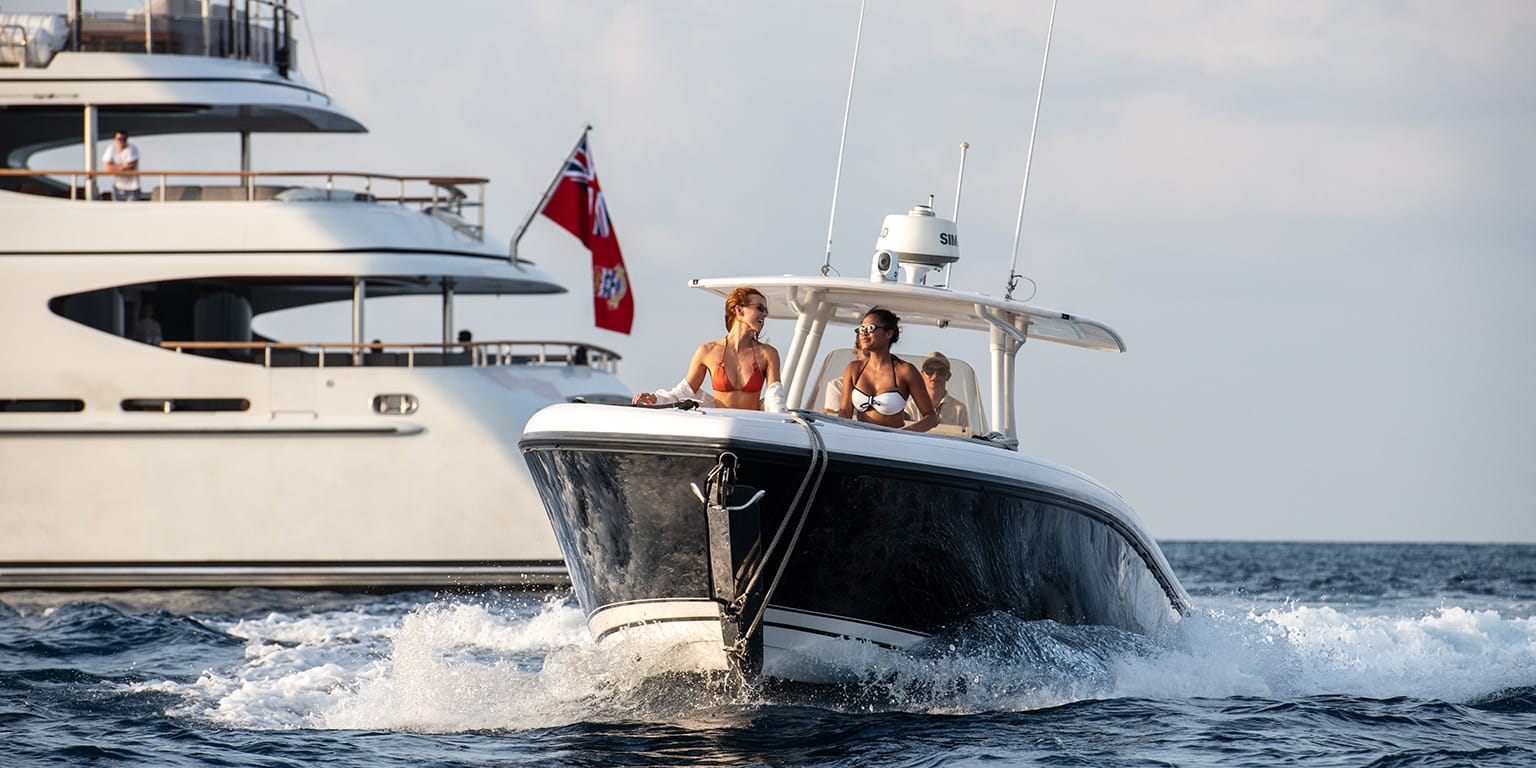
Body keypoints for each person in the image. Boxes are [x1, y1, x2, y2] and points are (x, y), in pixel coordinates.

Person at [633, 286, 786, 411]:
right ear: (739, 310)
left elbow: (774, 397)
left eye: (765, 309)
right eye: (760, 308)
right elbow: (684, 392)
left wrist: (782, 420)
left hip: (752, 429)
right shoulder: (707, 351)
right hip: (721, 427)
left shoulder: (767, 353)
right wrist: (656, 399)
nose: (765, 313)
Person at [837, 307, 936, 431]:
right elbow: (845, 413)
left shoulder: (905, 371)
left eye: (870, 328)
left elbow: (931, 418)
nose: (864, 333)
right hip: (859, 440)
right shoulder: (853, 369)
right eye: (862, 329)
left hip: (892, 444)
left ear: (888, 334)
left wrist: (903, 435)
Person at [906, 351, 969, 429]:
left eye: (941, 372)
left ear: (948, 376)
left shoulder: (960, 410)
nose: (935, 376)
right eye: (929, 371)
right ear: (922, 375)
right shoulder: (910, 408)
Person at [102, 130, 141, 201]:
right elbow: (107, 168)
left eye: (124, 139)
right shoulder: (111, 148)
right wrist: (122, 167)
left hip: (133, 187)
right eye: (119, 139)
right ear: (115, 139)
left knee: (132, 210)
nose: (121, 141)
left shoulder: (132, 148)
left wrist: (114, 167)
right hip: (117, 186)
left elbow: (131, 166)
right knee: (117, 210)